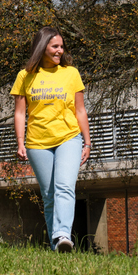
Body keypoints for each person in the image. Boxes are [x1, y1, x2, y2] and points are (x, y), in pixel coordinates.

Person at [11, 27, 92, 252]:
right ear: (42, 46)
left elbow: (80, 110)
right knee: (49, 196)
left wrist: (87, 141)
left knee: (64, 186)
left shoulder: (71, 73)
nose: (59, 51)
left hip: (69, 137)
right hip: (37, 142)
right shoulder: (25, 76)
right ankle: (57, 245)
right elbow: (19, 113)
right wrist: (20, 142)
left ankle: (62, 234)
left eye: (61, 47)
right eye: (55, 46)